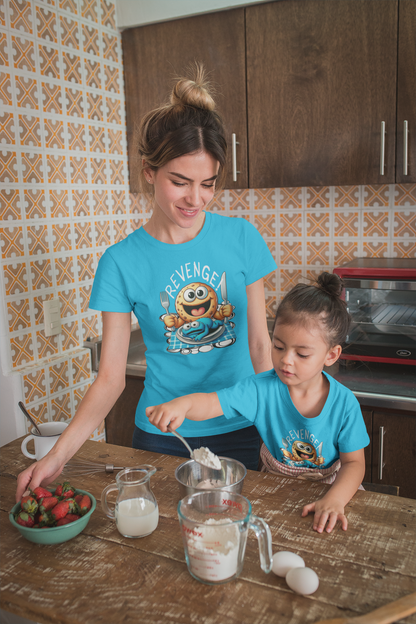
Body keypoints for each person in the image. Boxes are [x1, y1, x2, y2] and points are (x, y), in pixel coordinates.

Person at [15, 64, 276, 500]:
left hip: (245, 426)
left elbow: (260, 347)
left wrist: (275, 426)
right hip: (162, 437)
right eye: (180, 182)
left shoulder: (242, 238)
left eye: (207, 184)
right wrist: (57, 456)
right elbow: (111, 378)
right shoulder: (120, 262)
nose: (196, 199)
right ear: (149, 171)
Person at [146, 272, 370, 534]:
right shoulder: (260, 389)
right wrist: (182, 405)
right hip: (275, 487)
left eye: (302, 354)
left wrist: (335, 500)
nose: (286, 360)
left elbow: (354, 464)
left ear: (331, 355)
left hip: (333, 490)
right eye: (278, 346)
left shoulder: (344, 404)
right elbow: (212, 402)